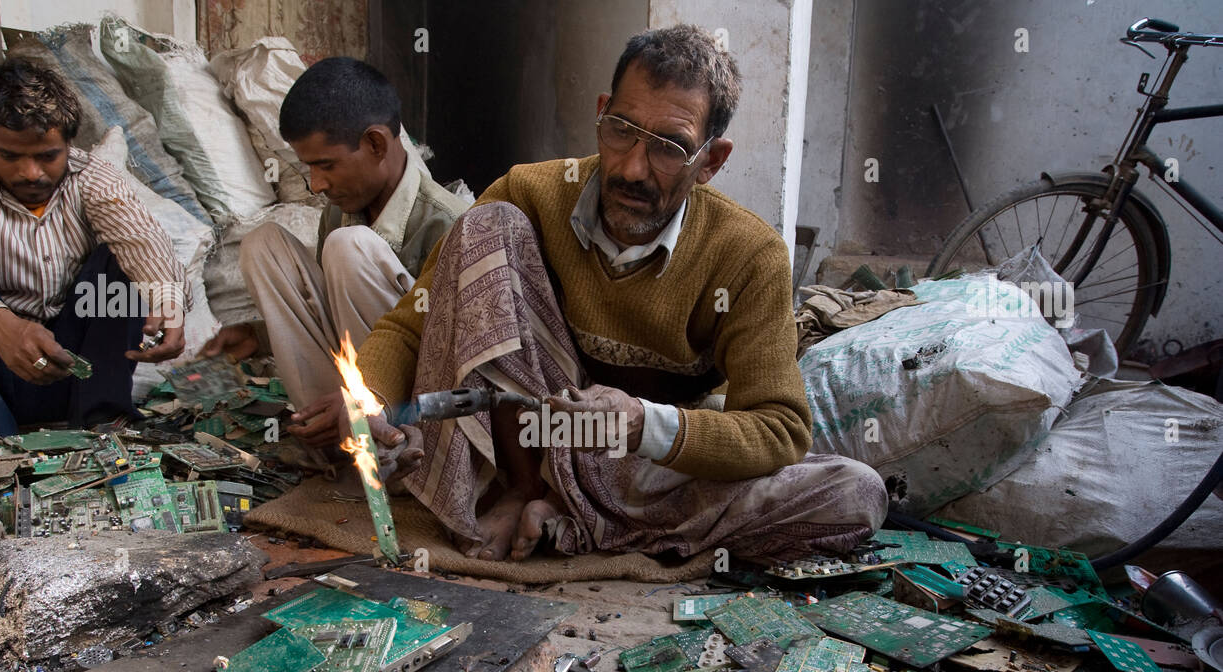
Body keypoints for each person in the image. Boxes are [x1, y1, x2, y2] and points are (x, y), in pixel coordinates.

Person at [357, 25, 888, 564]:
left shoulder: (749, 254)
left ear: (711, 160)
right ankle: (524, 491)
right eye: (621, 130)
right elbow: (413, 323)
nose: (633, 168)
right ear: (601, 112)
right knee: (487, 225)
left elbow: (780, 429)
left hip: (630, 465)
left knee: (853, 493)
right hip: (529, 437)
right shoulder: (530, 191)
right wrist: (370, 404)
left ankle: (571, 515)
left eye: (670, 149)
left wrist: (643, 422)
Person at [201, 57, 470, 456]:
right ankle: (335, 435)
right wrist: (258, 337)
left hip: (422, 413)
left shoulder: (451, 225)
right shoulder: (341, 209)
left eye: (326, 165)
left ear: (376, 143)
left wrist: (365, 396)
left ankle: (384, 444)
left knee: (349, 246)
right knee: (263, 245)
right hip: (351, 395)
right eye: (309, 167)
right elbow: (337, 317)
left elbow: (464, 366)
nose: (316, 183)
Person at [0, 59, 188, 437]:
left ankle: (102, 417)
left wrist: (168, 302)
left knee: (121, 263)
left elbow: (140, 239)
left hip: (74, 372)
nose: (31, 173)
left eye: (48, 155)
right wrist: (2, 326)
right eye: (9, 156)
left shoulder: (91, 178)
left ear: (68, 143)